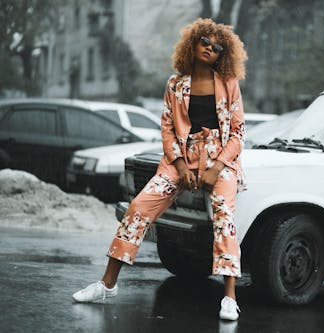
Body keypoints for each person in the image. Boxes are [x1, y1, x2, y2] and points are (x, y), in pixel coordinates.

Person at [72, 18, 248, 321]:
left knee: (224, 215)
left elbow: (237, 132)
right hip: (181, 159)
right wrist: (180, 166)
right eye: (204, 41)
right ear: (192, 44)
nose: (209, 48)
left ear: (223, 54)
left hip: (220, 160)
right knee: (138, 207)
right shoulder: (175, 84)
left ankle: (230, 297)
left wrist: (216, 167)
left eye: (217, 46)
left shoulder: (229, 84)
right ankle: (107, 284)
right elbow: (167, 129)